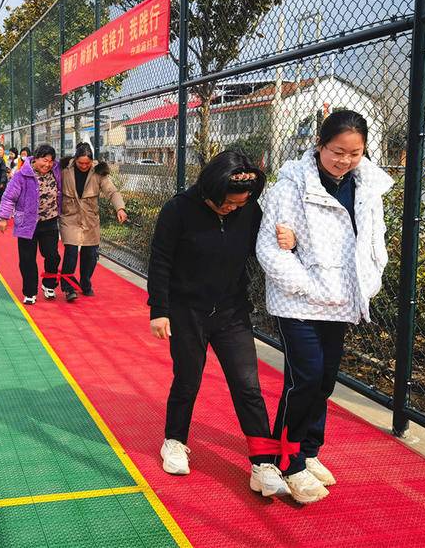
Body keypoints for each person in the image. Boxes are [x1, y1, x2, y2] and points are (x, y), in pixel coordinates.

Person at [256, 110, 393, 504]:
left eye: (354, 153)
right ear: (319, 145)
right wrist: (308, 286)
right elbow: (270, 249)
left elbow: (374, 243)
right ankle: (289, 461)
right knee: (306, 378)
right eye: (337, 151)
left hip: (342, 299)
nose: (344, 160)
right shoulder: (290, 187)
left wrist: (369, 281)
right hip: (298, 302)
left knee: (325, 379)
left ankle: (309, 449)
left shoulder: (366, 188)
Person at [148, 150, 296, 499]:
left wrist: (290, 241)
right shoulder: (178, 210)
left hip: (232, 312)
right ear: (211, 191)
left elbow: (265, 248)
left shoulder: (249, 210)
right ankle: (174, 441)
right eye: (227, 203)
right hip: (187, 311)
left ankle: (262, 463)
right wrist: (159, 309)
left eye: (240, 204)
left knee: (248, 385)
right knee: (188, 379)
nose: (233, 208)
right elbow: (161, 260)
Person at [58, 143, 127, 302]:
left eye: (87, 163)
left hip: (90, 219)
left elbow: (112, 191)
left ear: (92, 161)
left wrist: (120, 208)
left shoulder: (98, 172)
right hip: (70, 217)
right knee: (71, 252)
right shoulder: (64, 169)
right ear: (75, 159)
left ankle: (85, 282)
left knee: (90, 255)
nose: (83, 166)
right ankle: (68, 287)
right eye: (80, 163)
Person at [0, 144, 62, 305]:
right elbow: (9, 197)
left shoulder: (56, 171)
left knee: (52, 255)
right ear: (36, 158)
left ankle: (49, 284)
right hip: (27, 222)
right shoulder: (22, 175)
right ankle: (30, 291)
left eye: (51, 161)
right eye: (44, 160)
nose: (47, 164)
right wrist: (3, 217)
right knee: (27, 259)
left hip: (49, 221)